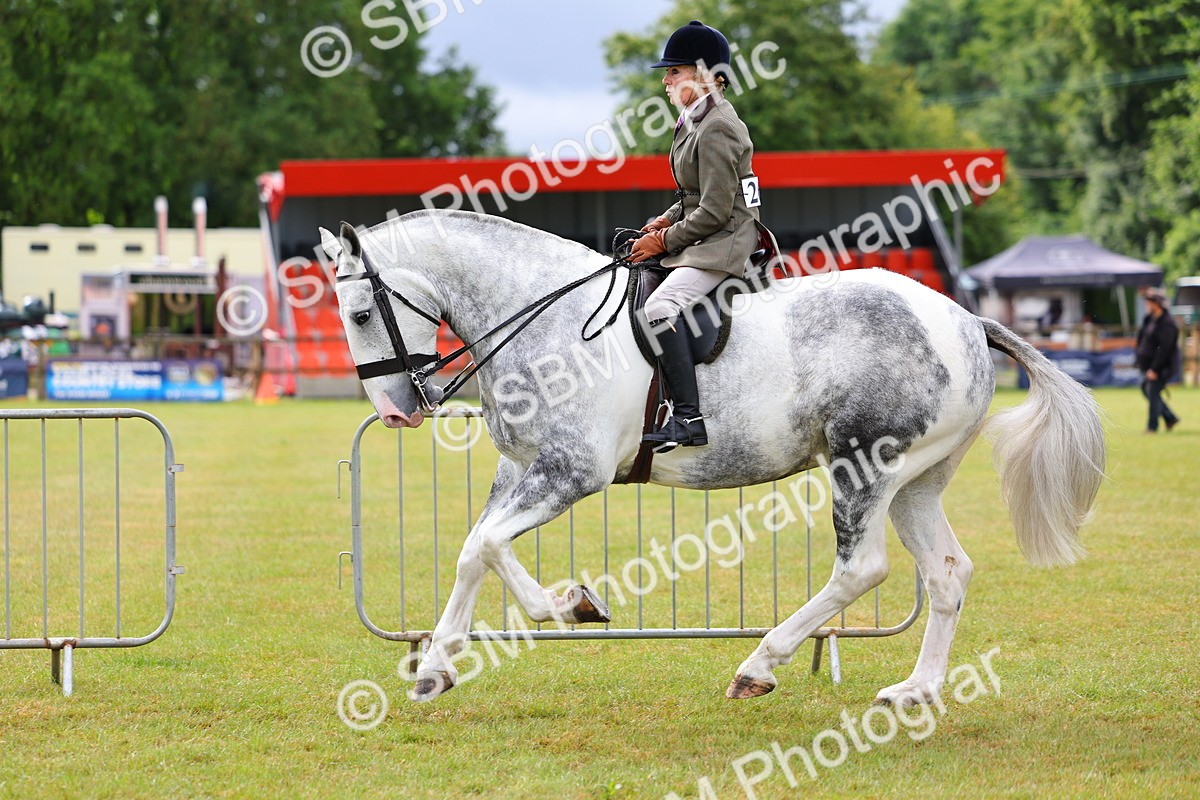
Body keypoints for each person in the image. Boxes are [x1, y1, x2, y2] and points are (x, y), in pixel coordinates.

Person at [628, 20, 761, 453]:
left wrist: (664, 242)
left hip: (724, 241)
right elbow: (693, 196)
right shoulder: (695, 120)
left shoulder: (718, 126)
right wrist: (663, 221)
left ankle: (688, 418)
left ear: (705, 75)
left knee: (660, 306)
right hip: (706, 231)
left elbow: (716, 211)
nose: (665, 81)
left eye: (675, 71)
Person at [1136, 287, 1181, 433]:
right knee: (1146, 388)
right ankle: (1170, 417)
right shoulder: (1149, 319)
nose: (1147, 304)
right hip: (1149, 364)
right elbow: (1142, 339)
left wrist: (1155, 369)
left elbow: (1165, 349)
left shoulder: (1167, 323)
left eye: (1149, 301)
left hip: (1162, 366)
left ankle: (1152, 427)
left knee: (1152, 390)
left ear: (1157, 303)